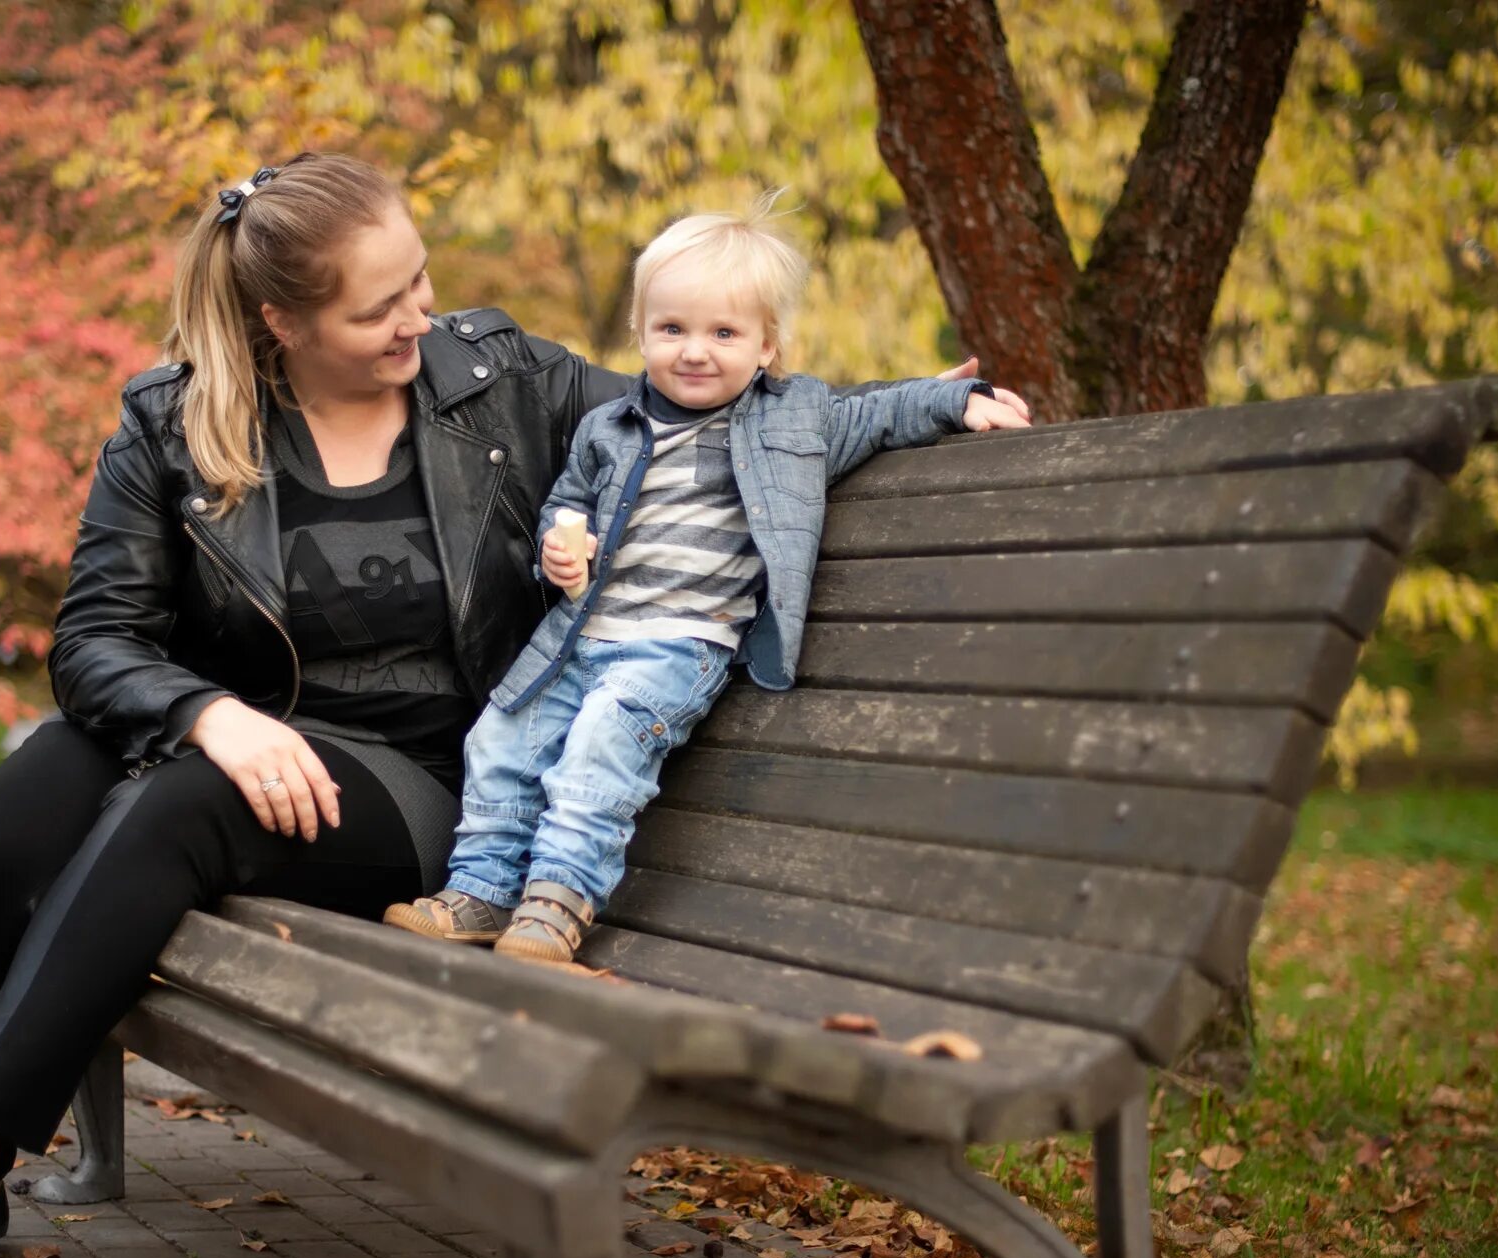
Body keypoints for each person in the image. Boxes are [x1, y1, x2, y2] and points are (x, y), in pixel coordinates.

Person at [0, 152, 632, 1258]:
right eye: (376, 308)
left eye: (417, 281)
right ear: (280, 320)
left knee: (181, 808)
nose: (416, 320)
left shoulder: (503, 377)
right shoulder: (174, 423)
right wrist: (209, 712)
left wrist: (922, 404)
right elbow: (92, 639)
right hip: (218, 729)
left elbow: (695, 398)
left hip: (423, 773)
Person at [383, 198, 1029, 963]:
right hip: (577, 634)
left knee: (600, 743)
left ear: (767, 346)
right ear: (641, 333)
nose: (696, 351)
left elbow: (882, 411)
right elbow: (568, 503)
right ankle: (483, 891)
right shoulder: (607, 428)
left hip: (674, 645)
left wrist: (956, 399)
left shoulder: (795, 422)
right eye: (673, 329)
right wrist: (560, 553)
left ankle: (556, 901)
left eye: (724, 333)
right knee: (500, 736)